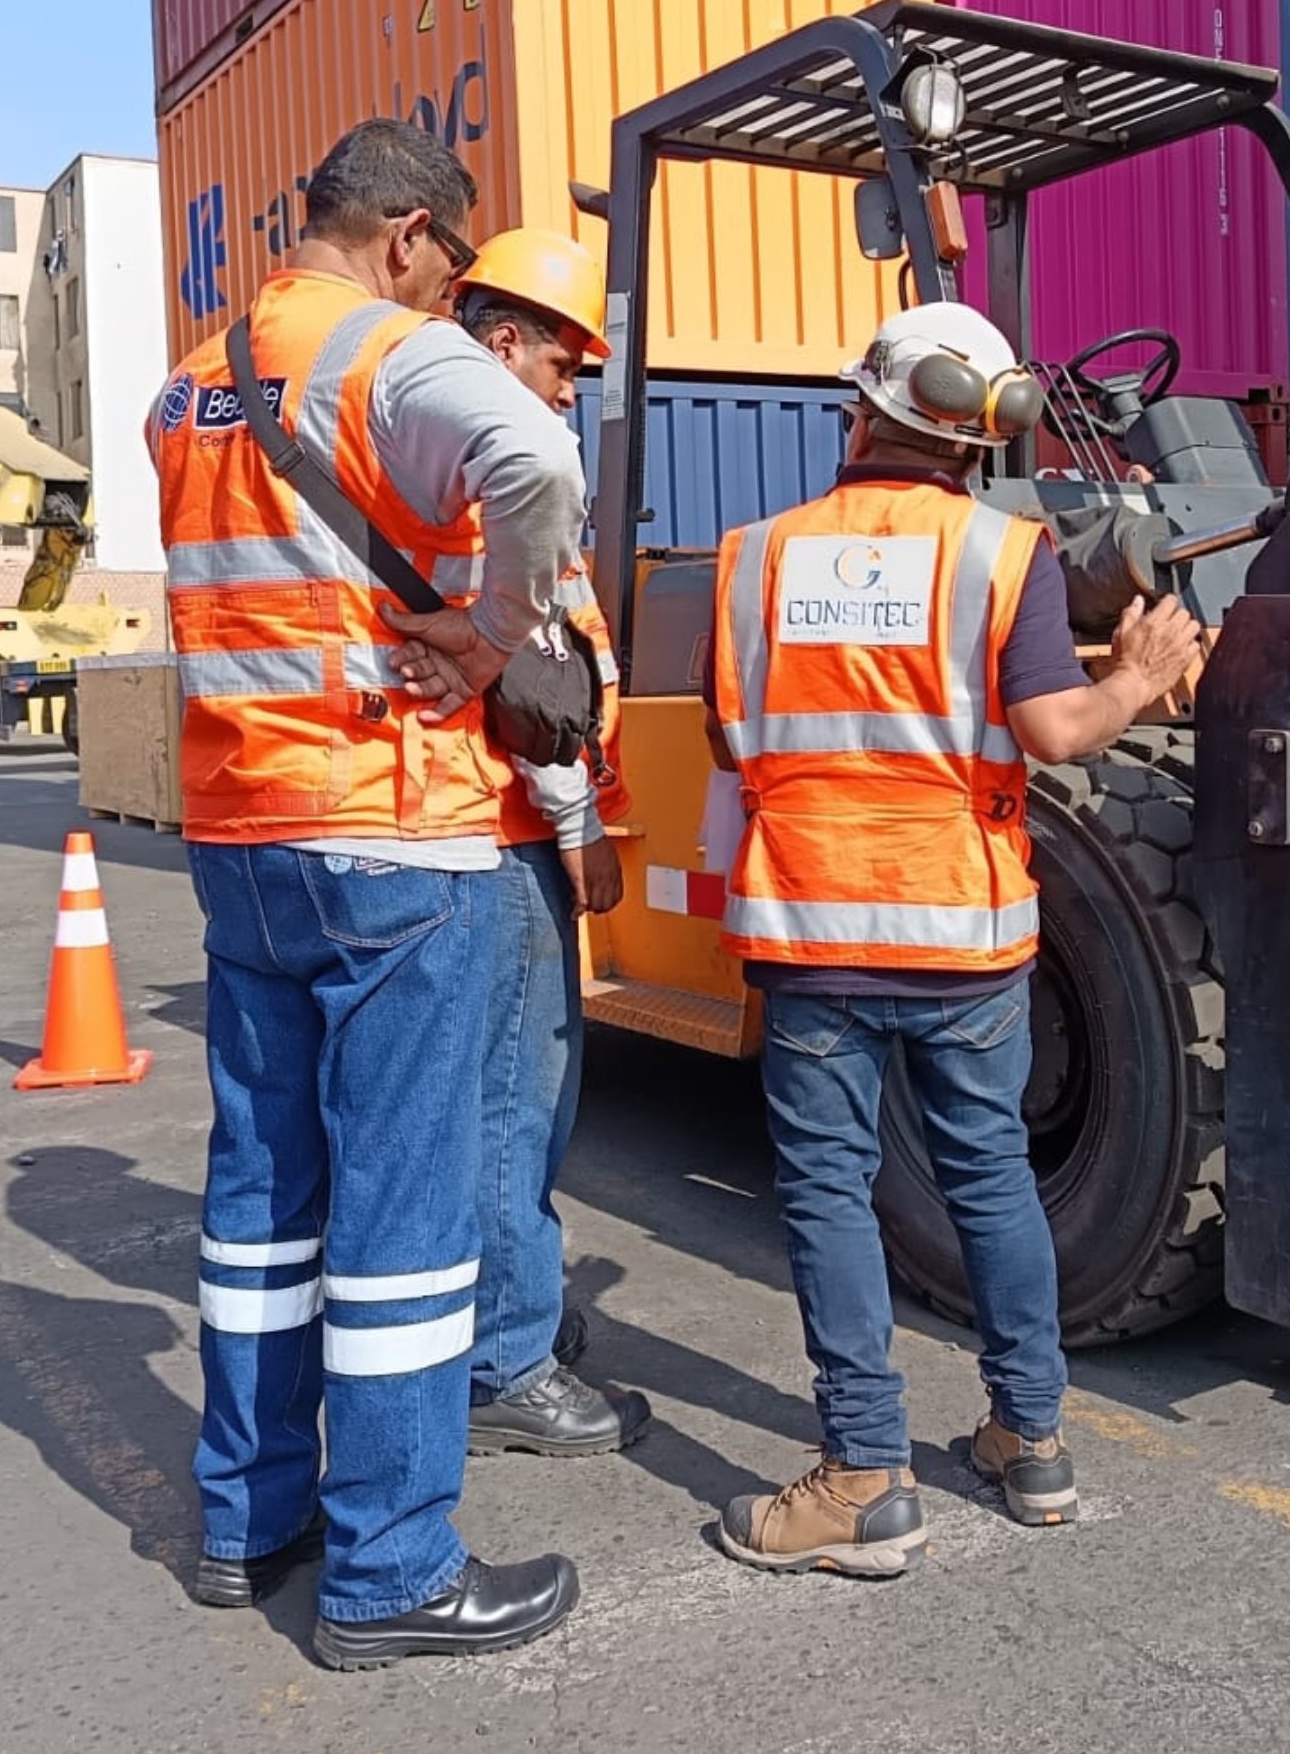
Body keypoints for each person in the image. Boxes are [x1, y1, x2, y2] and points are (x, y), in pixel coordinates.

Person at [149, 118, 593, 1670]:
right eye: (451, 267)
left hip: (239, 835)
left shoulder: (193, 379)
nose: (450, 294)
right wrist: (493, 627)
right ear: (407, 236)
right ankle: (393, 1569)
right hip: (391, 829)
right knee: (403, 1210)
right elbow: (536, 457)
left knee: (264, 1199)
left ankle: (246, 1519)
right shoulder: (383, 352)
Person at [700, 302, 1202, 1578]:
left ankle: (865, 1478)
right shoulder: (1003, 552)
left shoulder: (752, 557)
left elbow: (726, 735)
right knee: (988, 1176)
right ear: (983, 437)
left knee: (828, 1191)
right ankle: (1030, 1445)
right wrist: (1139, 675)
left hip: (812, 930)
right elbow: (1054, 733)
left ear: (862, 412)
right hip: (962, 932)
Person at [446, 233, 654, 1457]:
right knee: (520, 1099)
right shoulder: (494, 461)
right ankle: (505, 1356)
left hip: (506, 813)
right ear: (505, 339)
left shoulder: (457, 447)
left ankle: (500, 1312)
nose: (573, 389)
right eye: (565, 364)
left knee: (516, 1096)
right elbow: (520, 673)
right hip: (514, 819)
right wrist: (579, 827)